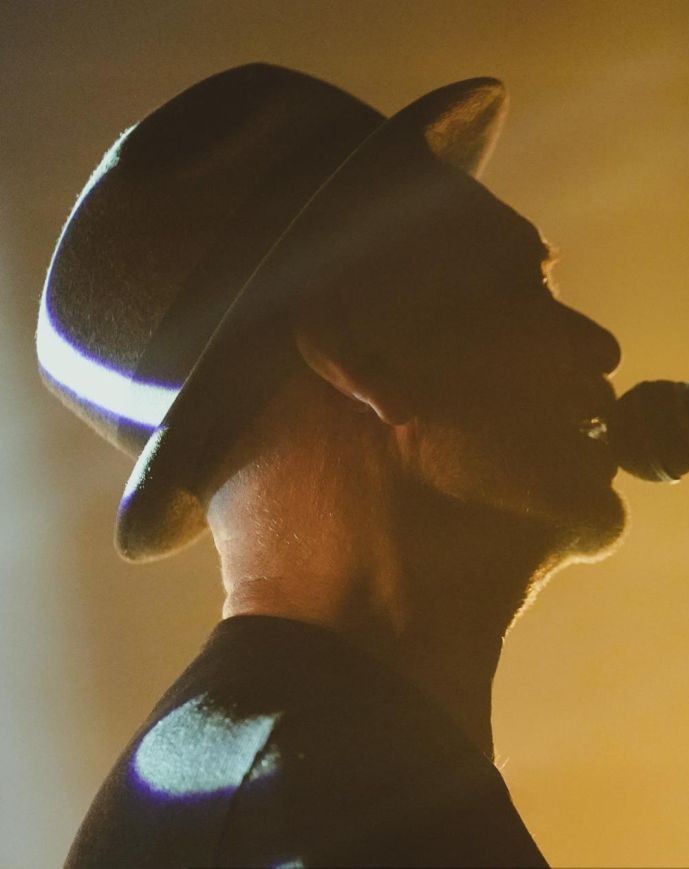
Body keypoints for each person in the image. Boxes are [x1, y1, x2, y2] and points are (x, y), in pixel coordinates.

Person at [38, 63, 624, 867]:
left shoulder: (292, 774)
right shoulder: (329, 797)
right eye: (521, 287)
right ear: (361, 356)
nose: (601, 345)